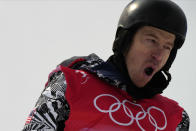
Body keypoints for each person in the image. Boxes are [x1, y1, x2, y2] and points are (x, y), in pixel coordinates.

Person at [22, 0, 190, 130]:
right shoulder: (71, 84)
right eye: (151, 40)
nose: (158, 55)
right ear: (125, 41)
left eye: (167, 47)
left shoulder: (174, 118)